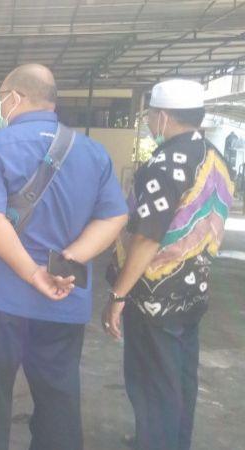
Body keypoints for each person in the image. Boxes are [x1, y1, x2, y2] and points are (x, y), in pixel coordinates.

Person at [0, 63, 129, 450]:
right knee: (58, 401)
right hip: (64, 298)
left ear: (14, 97)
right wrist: (66, 258)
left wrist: (33, 273)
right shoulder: (93, 153)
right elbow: (115, 215)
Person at [103, 79, 236, 450]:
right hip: (194, 293)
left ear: (161, 116)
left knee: (151, 382)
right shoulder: (214, 158)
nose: (147, 120)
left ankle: (156, 441)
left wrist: (118, 294)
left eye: (149, 114)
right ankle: (173, 441)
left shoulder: (166, 163)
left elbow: (147, 238)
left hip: (155, 299)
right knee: (179, 378)